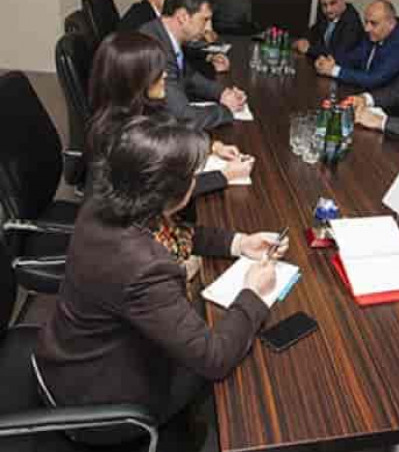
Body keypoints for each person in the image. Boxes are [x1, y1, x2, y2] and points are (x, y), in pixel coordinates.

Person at [34, 114, 289, 446]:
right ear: (170, 193)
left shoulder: (108, 200)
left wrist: (239, 243)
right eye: (192, 177)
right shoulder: (144, 267)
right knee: (247, 383)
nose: (195, 182)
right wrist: (253, 293)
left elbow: (173, 233)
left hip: (68, 355)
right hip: (96, 401)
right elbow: (213, 358)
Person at [87, 31, 252, 196]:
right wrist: (225, 176)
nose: (165, 74)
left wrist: (213, 146)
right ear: (135, 78)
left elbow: (173, 133)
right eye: (158, 71)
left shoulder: (132, 111)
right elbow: (168, 192)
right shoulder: (128, 139)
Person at [141, 0, 244, 130]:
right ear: (183, 17)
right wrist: (226, 110)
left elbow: (189, 76)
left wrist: (222, 93)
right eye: (205, 20)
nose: (209, 29)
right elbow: (183, 117)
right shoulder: (156, 48)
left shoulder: (165, 34)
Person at [314, 0, 399, 90]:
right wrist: (331, 61)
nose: (367, 29)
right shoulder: (374, 35)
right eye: (366, 22)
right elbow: (354, 57)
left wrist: (334, 70)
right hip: (362, 90)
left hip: (384, 99)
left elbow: (374, 78)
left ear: (391, 24)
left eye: (373, 23)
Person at [293, 0, 363, 60]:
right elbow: (314, 31)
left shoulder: (352, 22)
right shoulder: (327, 15)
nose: (328, 9)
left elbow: (338, 53)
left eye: (333, 3)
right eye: (324, 5)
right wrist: (304, 40)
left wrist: (309, 49)